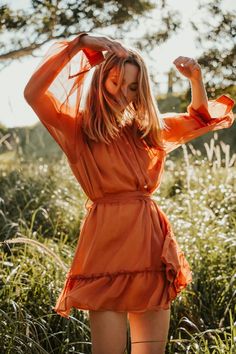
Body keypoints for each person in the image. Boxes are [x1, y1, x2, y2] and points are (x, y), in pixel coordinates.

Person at [24, 32, 235, 354]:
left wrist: (196, 79)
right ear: (100, 81)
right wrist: (81, 45)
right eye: (115, 82)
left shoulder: (151, 129)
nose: (124, 92)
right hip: (106, 246)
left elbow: (201, 118)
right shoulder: (78, 128)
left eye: (133, 86)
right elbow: (34, 93)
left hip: (150, 245)